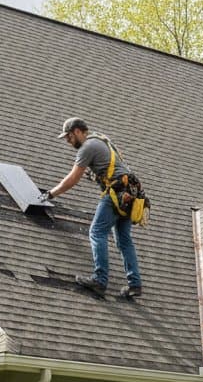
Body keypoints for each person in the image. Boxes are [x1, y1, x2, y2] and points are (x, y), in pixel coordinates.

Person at [43, 117, 143, 300]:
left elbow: (72, 179)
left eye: (69, 136)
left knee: (97, 232)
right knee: (124, 239)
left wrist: (50, 194)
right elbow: (110, 167)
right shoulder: (101, 139)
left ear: (79, 132)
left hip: (116, 193)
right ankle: (135, 284)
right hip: (131, 193)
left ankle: (100, 279)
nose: (68, 141)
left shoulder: (87, 148)